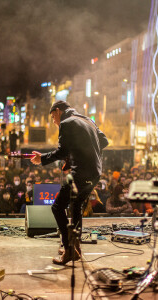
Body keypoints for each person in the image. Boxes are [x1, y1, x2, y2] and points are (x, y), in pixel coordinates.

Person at [31, 100, 108, 265]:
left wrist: (42, 158)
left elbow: (62, 150)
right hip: (95, 172)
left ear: (58, 111)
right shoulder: (88, 120)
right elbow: (104, 141)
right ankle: (75, 247)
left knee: (58, 207)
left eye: (53, 117)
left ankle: (69, 249)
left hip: (81, 172)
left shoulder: (66, 123)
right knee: (76, 205)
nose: (54, 122)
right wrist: (84, 156)